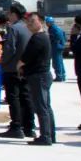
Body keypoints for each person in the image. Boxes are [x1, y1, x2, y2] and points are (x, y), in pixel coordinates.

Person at [0, 4, 36, 140]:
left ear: (14, 14)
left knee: (13, 98)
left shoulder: (14, 29)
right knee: (26, 97)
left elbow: (10, 49)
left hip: (12, 68)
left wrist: (3, 61)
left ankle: (16, 126)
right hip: (26, 67)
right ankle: (29, 127)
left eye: (9, 13)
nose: (8, 16)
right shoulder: (28, 28)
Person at [21, 12, 56, 145]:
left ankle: (45, 136)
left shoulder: (38, 38)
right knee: (45, 106)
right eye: (28, 22)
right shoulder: (42, 36)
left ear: (40, 22)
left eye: (33, 21)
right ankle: (50, 134)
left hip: (39, 76)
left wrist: (19, 65)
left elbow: (26, 57)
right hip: (42, 75)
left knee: (41, 107)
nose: (29, 24)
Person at [47, 16, 67, 82]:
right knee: (60, 61)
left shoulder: (53, 29)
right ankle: (63, 75)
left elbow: (56, 37)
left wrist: (52, 41)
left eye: (47, 22)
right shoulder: (56, 28)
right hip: (59, 46)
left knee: (57, 62)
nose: (47, 24)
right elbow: (64, 35)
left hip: (56, 47)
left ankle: (59, 76)